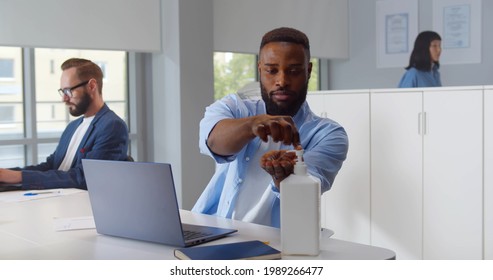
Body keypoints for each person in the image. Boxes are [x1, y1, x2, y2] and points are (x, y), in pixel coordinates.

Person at [192, 27, 348, 228]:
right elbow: (214, 142)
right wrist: (253, 124)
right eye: (271, 70)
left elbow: (307, 194)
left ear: (308, 71)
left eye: (293, 71)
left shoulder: (328, 134)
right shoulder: (234, 108)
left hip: (277, 247)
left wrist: (283, 177)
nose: (282, 81)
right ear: (260, 69)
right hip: (214, 232)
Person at [0, 58, 129, 190]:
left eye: (68, 91)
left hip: (78, 205)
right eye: (62, 92)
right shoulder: (73, 127)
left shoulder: (112, 126)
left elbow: (86, 178)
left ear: (91, 86)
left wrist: (19, 177)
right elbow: (51, 166)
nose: (64, 99)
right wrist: (7, 174)